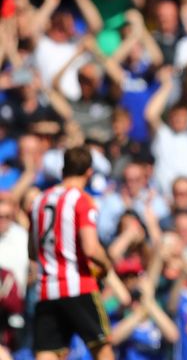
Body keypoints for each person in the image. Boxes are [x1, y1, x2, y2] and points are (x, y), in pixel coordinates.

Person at [28, 146, 115, 359]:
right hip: (78, 286)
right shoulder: (82, 200)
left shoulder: (39, 200)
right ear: (89, 172)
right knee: (101, 347)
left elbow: (32, 251)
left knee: (47, 352)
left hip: (47, 290)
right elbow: (91, 248)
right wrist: (107, 265)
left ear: (63, 170)